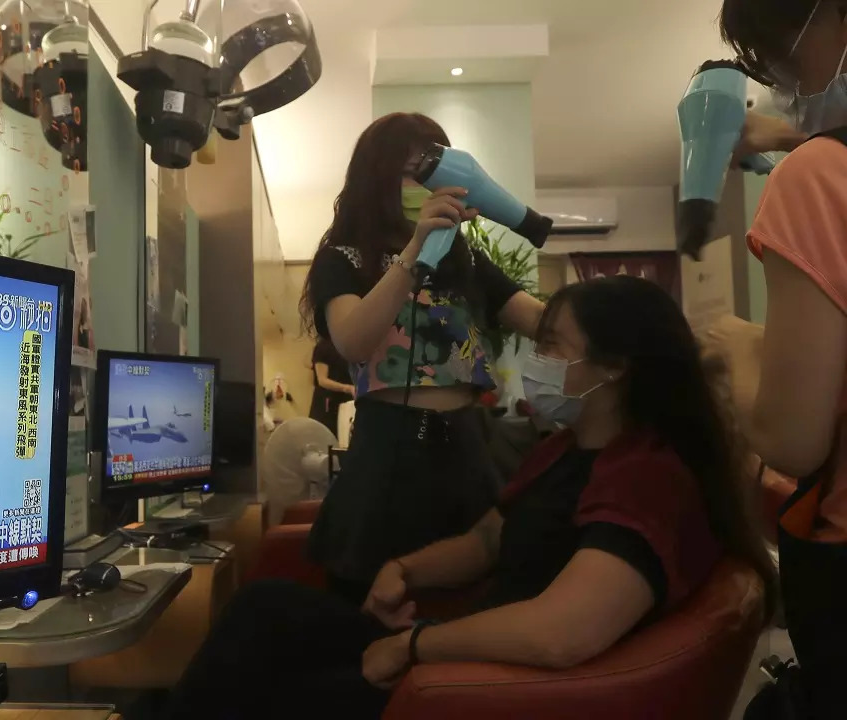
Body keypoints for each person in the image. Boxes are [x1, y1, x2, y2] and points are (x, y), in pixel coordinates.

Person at [151, 276, 775, 720]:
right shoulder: (565, 449)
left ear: (613, 367)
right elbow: (486, 541)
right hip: (468, 651)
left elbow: (563, 632)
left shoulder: (649, 476)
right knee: (264, 608)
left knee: (269, 694)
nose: (537, 357)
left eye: (553, 344)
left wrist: (414, 645)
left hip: (500, 688)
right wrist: (405, 568)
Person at [298, 112, 545, 604]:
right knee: (370, 607)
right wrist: (413, 254)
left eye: (433, 170)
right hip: (388, 453)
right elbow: (351, 340)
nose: (424, 185)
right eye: (409, 172)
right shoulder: (344, 259)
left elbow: (541, 321)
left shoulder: (467, 261)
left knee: (475, 595)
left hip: (470, 452)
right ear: (376, 179)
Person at [712, 1, 847, 714]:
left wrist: (739, 345)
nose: (788, 84)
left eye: (786, 59)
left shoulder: (817, 178)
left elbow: (793, 440)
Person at [310, 336, 355, 434]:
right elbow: (322, 380)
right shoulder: (324, 347)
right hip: (327, 405)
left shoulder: (349, 348)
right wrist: (347, 388)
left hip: (347, 404)